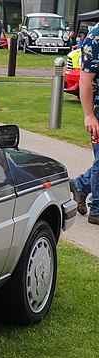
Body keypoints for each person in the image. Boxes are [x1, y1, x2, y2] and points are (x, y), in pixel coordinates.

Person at [72, 23, 99, 225]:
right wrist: (89, 114)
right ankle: (97, 209)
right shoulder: (96, 37)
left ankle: (80, 186)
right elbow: (85, 80)